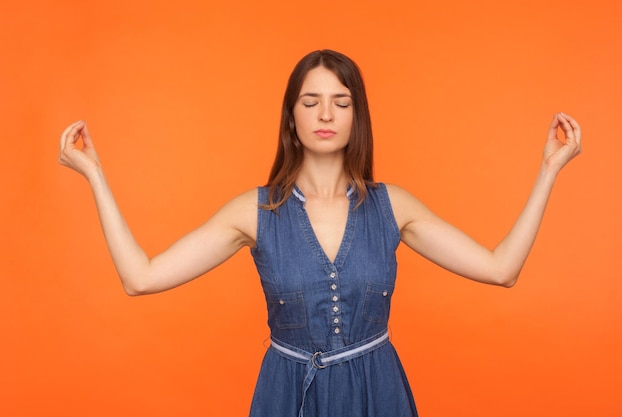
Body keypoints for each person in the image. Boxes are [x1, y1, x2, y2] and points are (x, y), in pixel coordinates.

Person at [58, 49, 582, 417]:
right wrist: (96, 175)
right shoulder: (255, 210)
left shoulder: (391, 207)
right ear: (291, 119)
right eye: (310, 102)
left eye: (341, 101)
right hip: (288, 397)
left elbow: (501, 269)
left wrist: (548, 170)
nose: (326, 114)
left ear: (358, 116)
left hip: (378, 394)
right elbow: (140, 278)